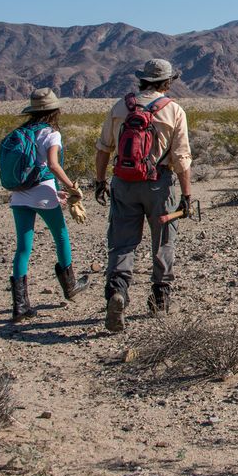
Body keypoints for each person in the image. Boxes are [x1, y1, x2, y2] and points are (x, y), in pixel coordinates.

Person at [94, 59, 193, 333]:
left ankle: (118, 292)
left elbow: (103, 148)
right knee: (162, 240)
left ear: (142, 80)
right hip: (158, 184)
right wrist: (186, 194)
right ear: (167, 82)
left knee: (122, 241)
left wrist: (101, 180)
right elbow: (182, 158)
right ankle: (159, 298)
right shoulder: (173, 110)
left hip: (123, 182)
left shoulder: (120, 107)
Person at [8, 88, 88, 322]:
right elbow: (52, 165)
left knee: (23, 247)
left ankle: (20, 306)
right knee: (61, 236)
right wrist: (71, 186)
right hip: (42, 194)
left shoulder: (21, 132)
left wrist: (57, 190)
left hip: (19, 194)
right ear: (55, 111)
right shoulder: (51, 133)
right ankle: (70, 286)